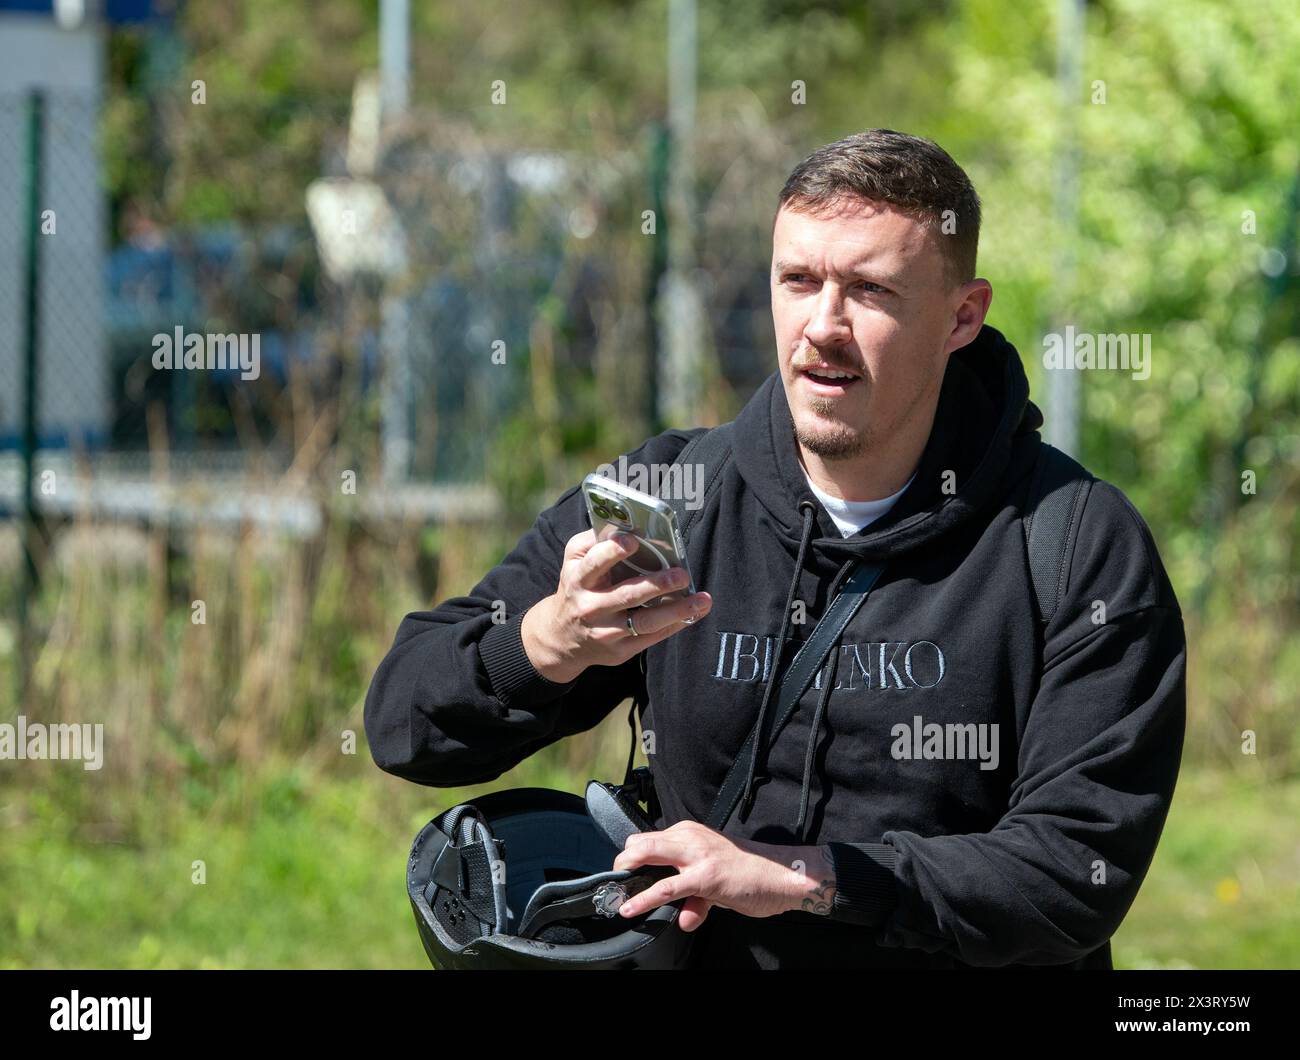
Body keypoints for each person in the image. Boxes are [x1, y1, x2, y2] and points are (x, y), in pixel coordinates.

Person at [364, 129, 1186, 969]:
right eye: (799, 280)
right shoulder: (675, 497)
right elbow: (403, 726)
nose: (822, 328)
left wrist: (804, 878)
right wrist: (548, 644)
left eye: (869, 290)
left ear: (961, 317)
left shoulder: (1074, 542)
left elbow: (1074, 873)